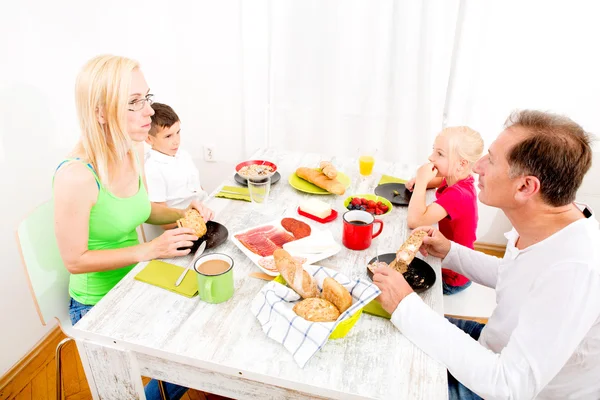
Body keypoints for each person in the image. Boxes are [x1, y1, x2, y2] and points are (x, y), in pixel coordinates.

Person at [374, 110, 600, 399]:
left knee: (383, 376)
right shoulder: (549, 221)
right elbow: (514, 276)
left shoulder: (575, 269)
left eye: (491, 160)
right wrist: (451, 251)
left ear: (525, 186)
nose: (478, 166)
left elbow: (509, 386)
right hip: (490, 344)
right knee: (377, 321)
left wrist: (406, 306)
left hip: (502, 385)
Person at [53, 54, 212, 400]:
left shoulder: (134, 151)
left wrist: (186, 212)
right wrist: (149, 250)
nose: (150, 112)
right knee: (194, 359)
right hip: (97, 302)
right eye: (134, 103)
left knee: (207, 336)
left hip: (137, 277)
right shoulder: (77, 176)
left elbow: (142, 211)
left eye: (147, 98)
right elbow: (75, 261)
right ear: (99, 113)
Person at [405, 126, 484, 295]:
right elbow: (440, 180)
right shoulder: (458, 179)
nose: (431, 157)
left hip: (450, 278)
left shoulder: (459, 195)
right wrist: (424, 182)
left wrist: (421, 181)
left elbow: (414, 220)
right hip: (452, 263)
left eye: (440, 154)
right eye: (433, 150)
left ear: (461, 164)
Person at [144, 102, 211, 230]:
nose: (176, 141)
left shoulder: (182, 154)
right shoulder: (152, 168)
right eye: (168, 136)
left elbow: (198, 189)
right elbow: (164, 222)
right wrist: (194, 215)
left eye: (178, 132)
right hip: (183, 226)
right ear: (149, 139)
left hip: (204, 213)